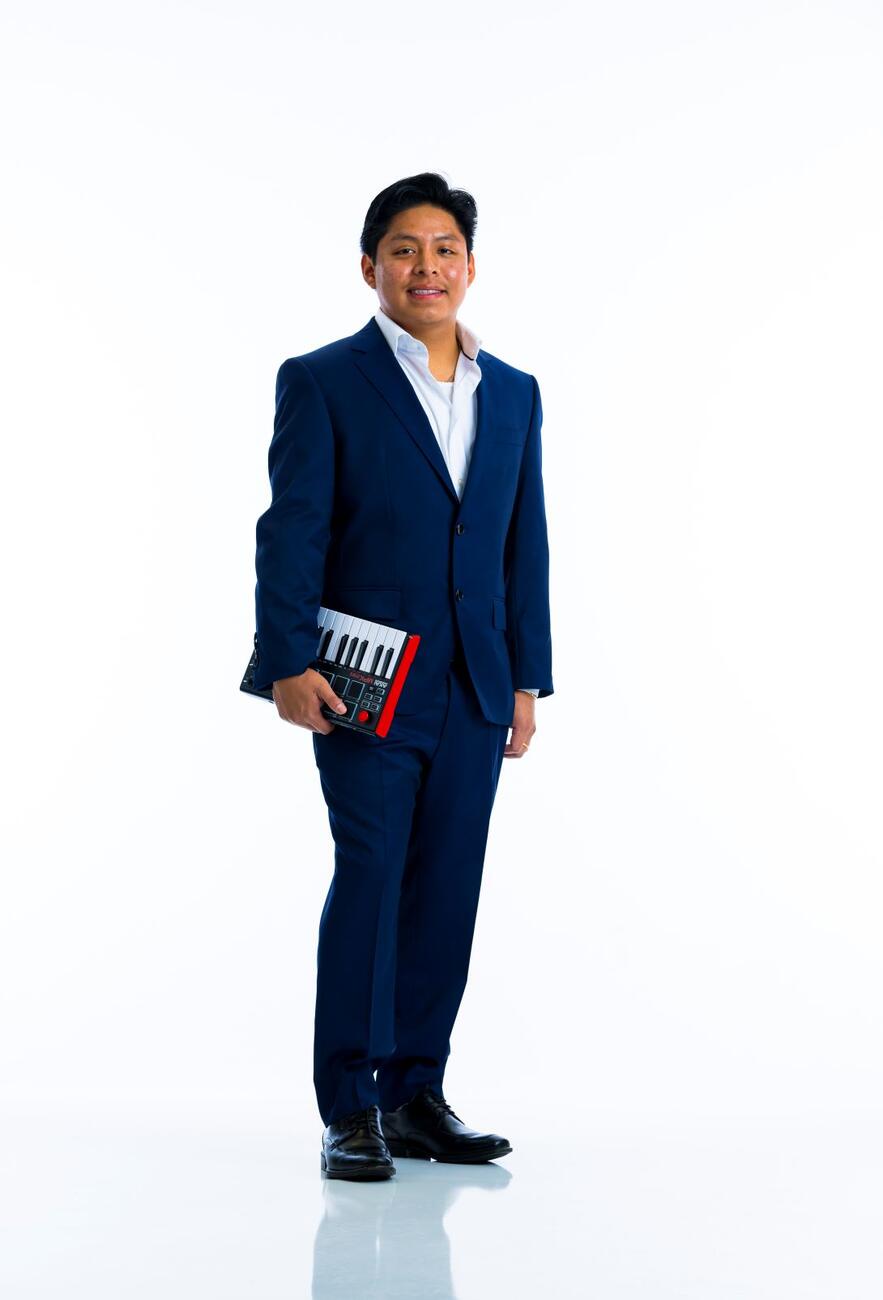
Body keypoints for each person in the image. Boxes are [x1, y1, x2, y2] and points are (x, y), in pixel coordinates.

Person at [252, 172, 553, 1180]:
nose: (426, 266)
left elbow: (523, 543)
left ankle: (416, 1093)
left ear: (470, 265)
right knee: (373, 878)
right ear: (369, 266)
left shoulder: (511, 392)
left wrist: (526, 678)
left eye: (443, 249)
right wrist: (287, 658)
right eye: (403, 249)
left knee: (445, 889)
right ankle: (350, 1104)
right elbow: (292, 527)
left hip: (474, 684)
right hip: (362, 683)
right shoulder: (324, 379)